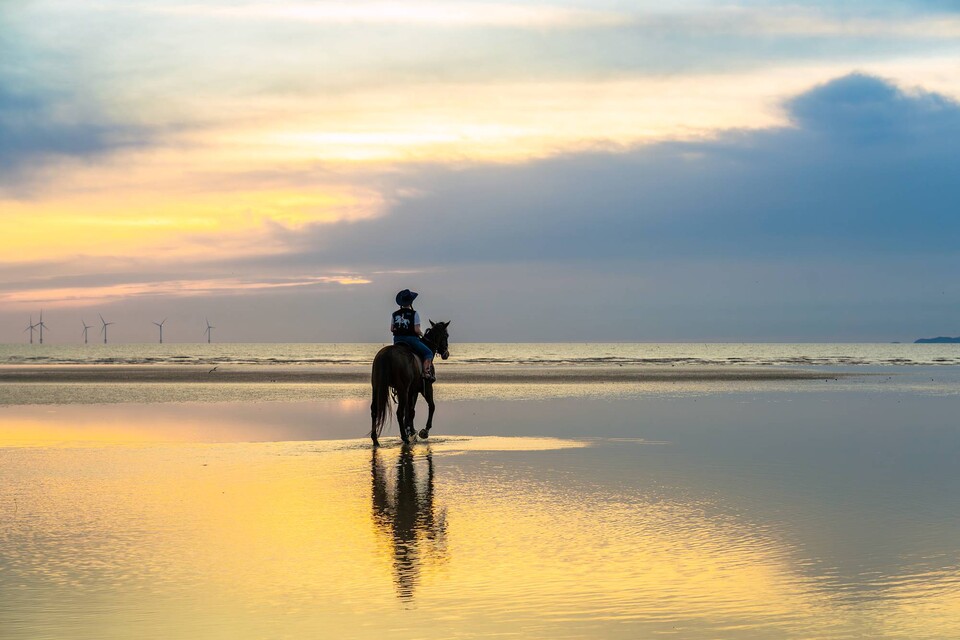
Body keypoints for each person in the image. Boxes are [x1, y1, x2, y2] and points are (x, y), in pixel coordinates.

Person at [391, 289, 435, 381]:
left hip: (397, 340)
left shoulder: (394, 314)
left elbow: (392, 329)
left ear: (401, 303)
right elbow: (416, 330)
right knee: (428, 353)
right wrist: (421, 334)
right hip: (411, 340)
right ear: (411, 302)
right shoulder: (414, 314)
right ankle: (426, 373)